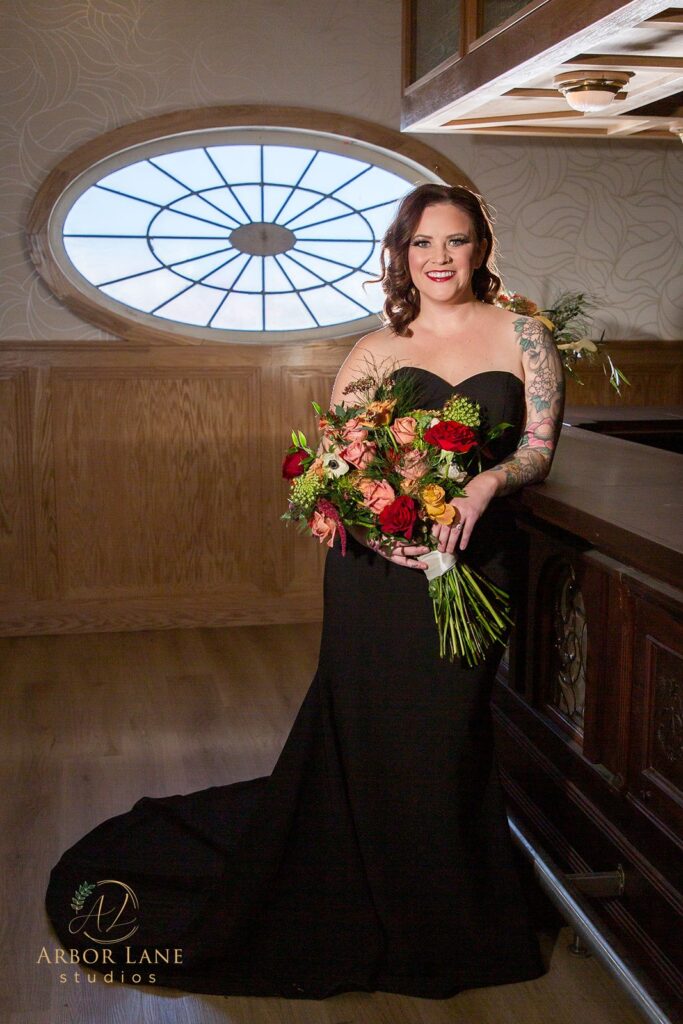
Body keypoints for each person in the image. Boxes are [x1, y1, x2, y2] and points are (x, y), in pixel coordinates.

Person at [45, 182, 565, 1001]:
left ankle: (448, 907)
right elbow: (340, 469)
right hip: (375, 573)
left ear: (480, 248)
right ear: (400, 253)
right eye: (422, 243)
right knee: (367, 723)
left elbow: (537, 448)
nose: (438, 258)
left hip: (474, 555)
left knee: (449, 730)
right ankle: (363, 894)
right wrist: (378, 526)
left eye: (456, 241)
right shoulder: (371, 349)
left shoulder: (524, 336)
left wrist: (483, 485)